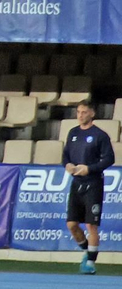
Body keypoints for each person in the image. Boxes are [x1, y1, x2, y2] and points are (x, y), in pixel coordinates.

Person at [64, 99, 114, 275]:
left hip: (93, 183)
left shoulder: (100, 135)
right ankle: (87, 251)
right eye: (78, 112)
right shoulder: (73, 133)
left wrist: (89, 169)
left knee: (91, 225)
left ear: (92, 113)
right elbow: (65, 155)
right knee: (71, 224)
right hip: (76, 183)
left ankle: (91, 263)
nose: (80, 115)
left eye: (84, 112)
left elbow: (109, 159)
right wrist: (67, 165)